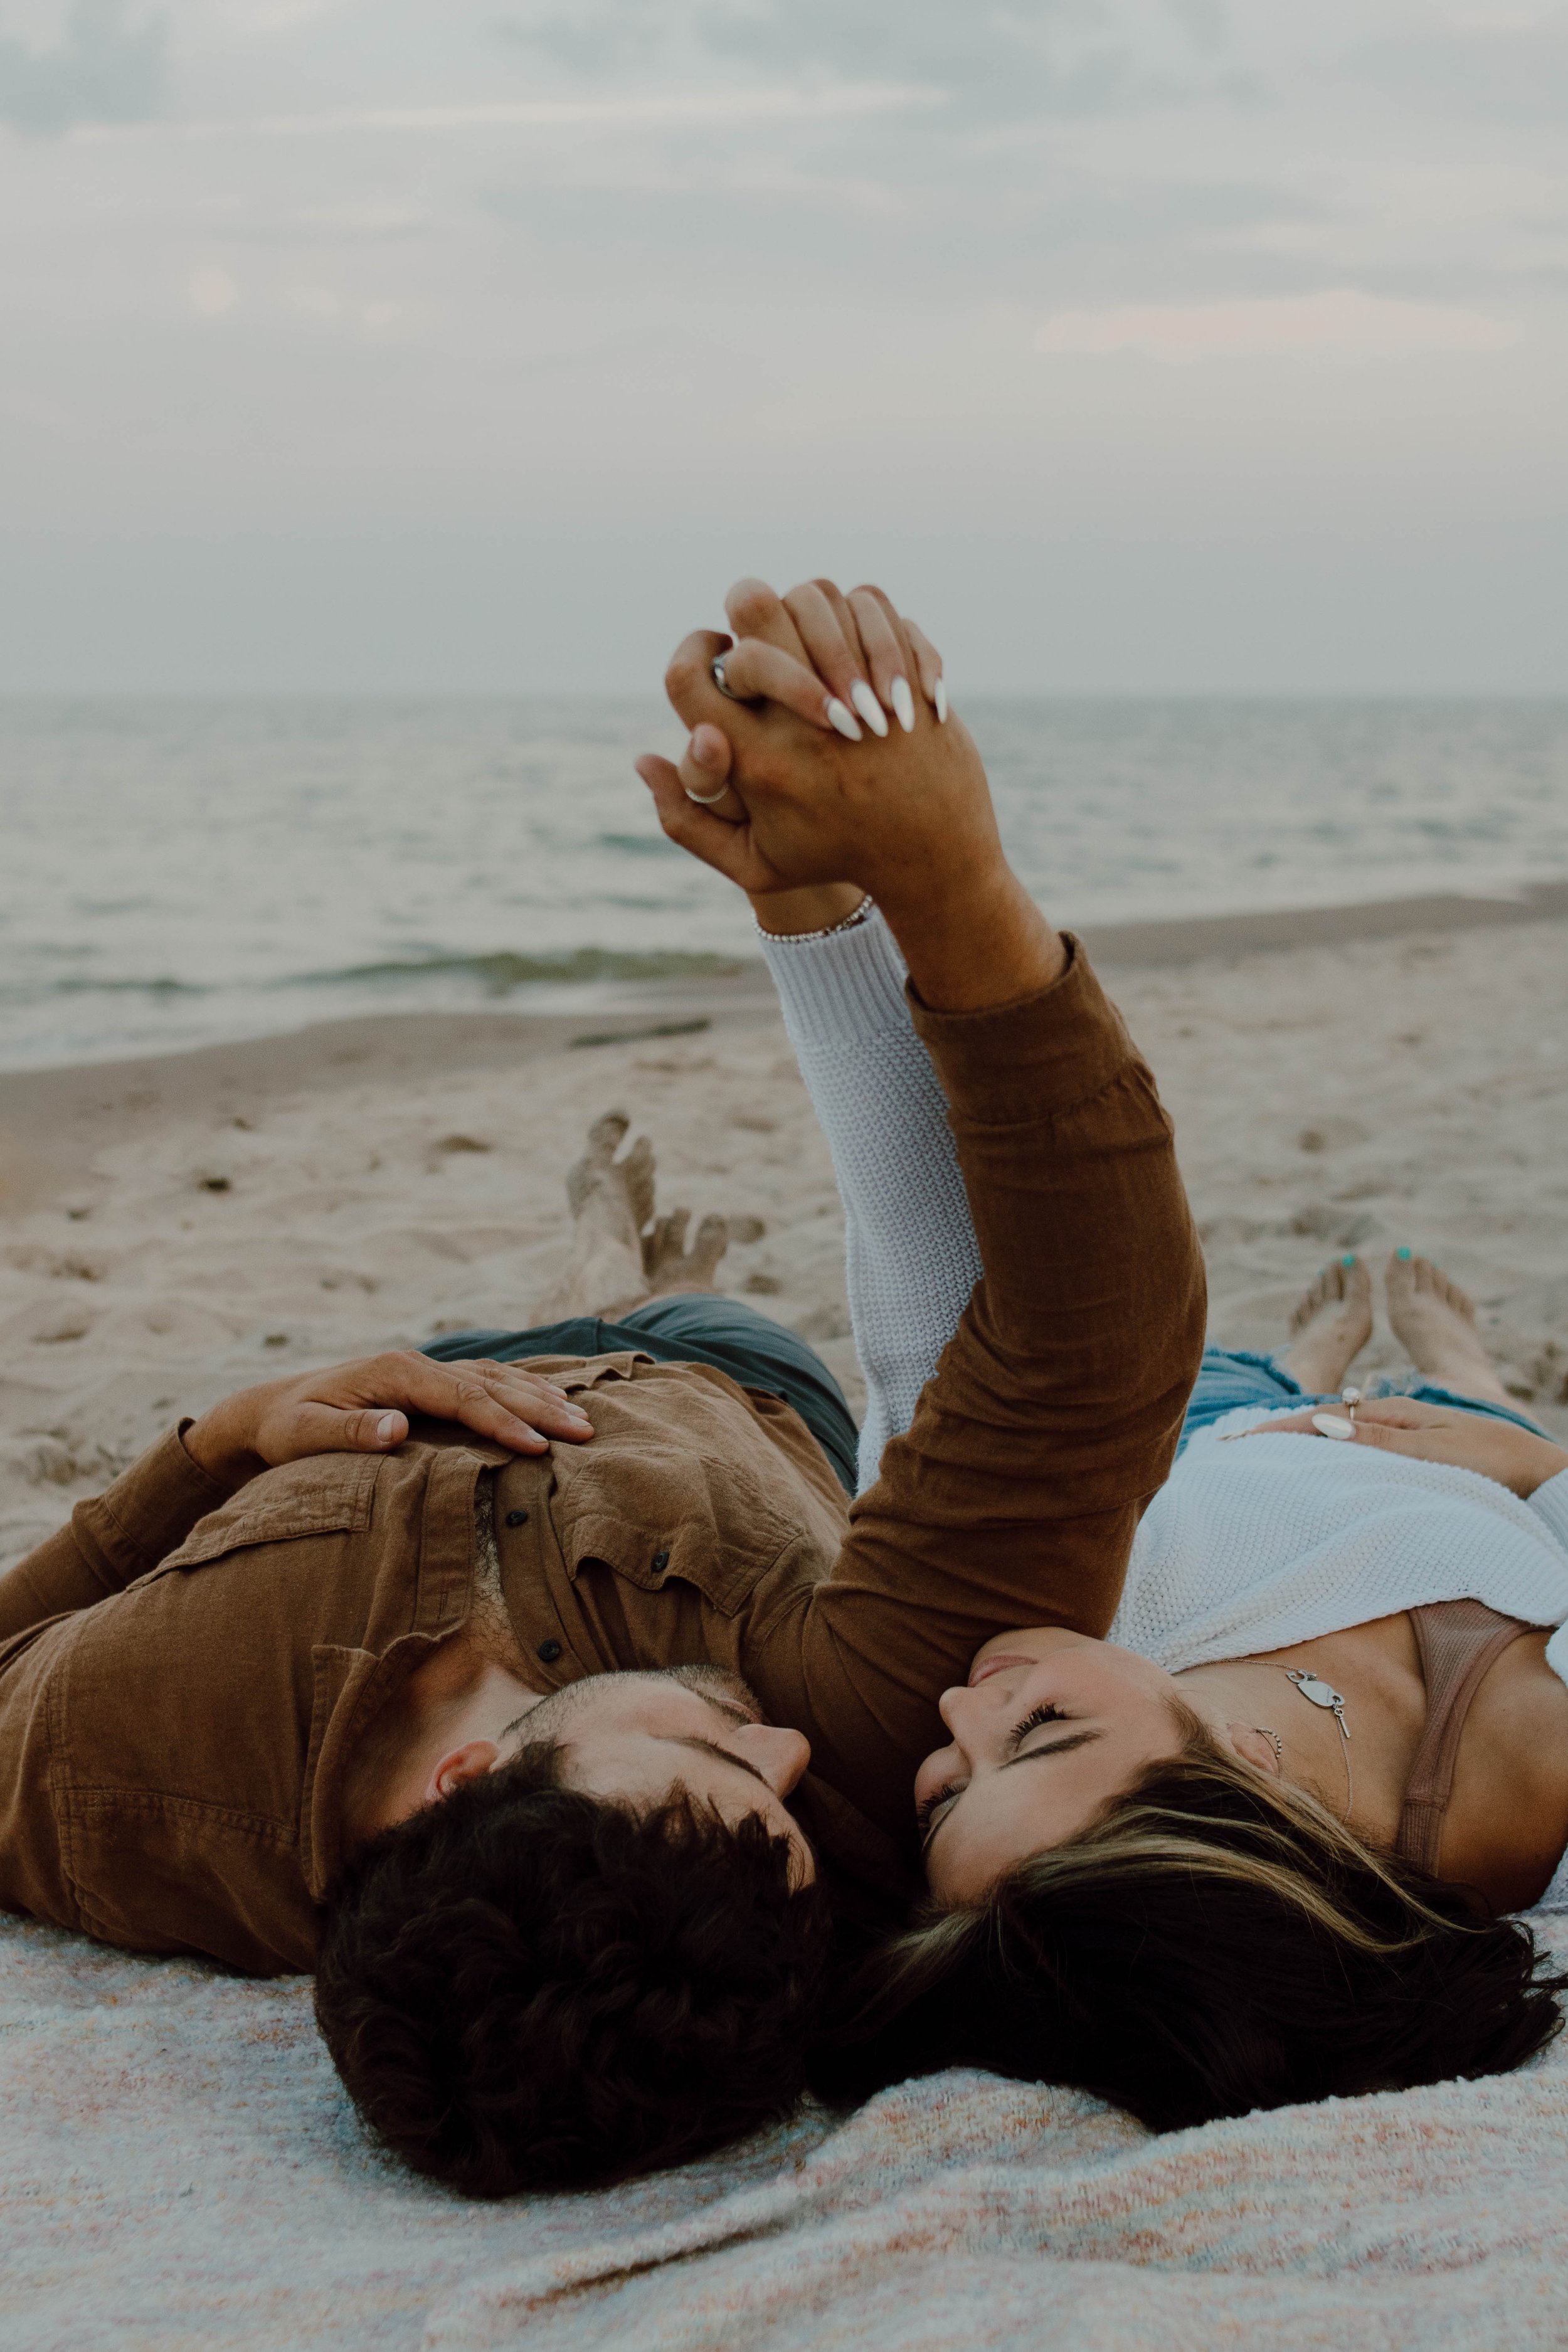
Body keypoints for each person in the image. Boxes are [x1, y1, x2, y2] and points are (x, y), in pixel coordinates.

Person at [0, 577, 1205, 2195]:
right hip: (733, 1386)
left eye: (721, 1763)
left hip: (382, 1408)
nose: (787, 1761)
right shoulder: (821, 1781)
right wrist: (925, 879)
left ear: (469, 1780)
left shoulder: (120, 1778)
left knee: (517, 1325)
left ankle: (588, 1265)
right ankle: (627, 1253)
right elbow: (1081, 1347)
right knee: (892, 1363)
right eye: (786, 1804)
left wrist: (217, 1441)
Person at [662, 828, 1568, 2126]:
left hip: (1167, 1438)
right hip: (1467, 1478)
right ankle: (1449, 1368)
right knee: (1453, 1414)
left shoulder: (1035, 1625)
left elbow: (932, 1315)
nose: (959, 1714)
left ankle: (1297, 1367)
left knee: (1218, 1382)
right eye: (1038, 1733)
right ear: (1251, 1796)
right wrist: (1537, 1463)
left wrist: (809, 916)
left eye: (937, 1799)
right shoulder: (1541, 1793)